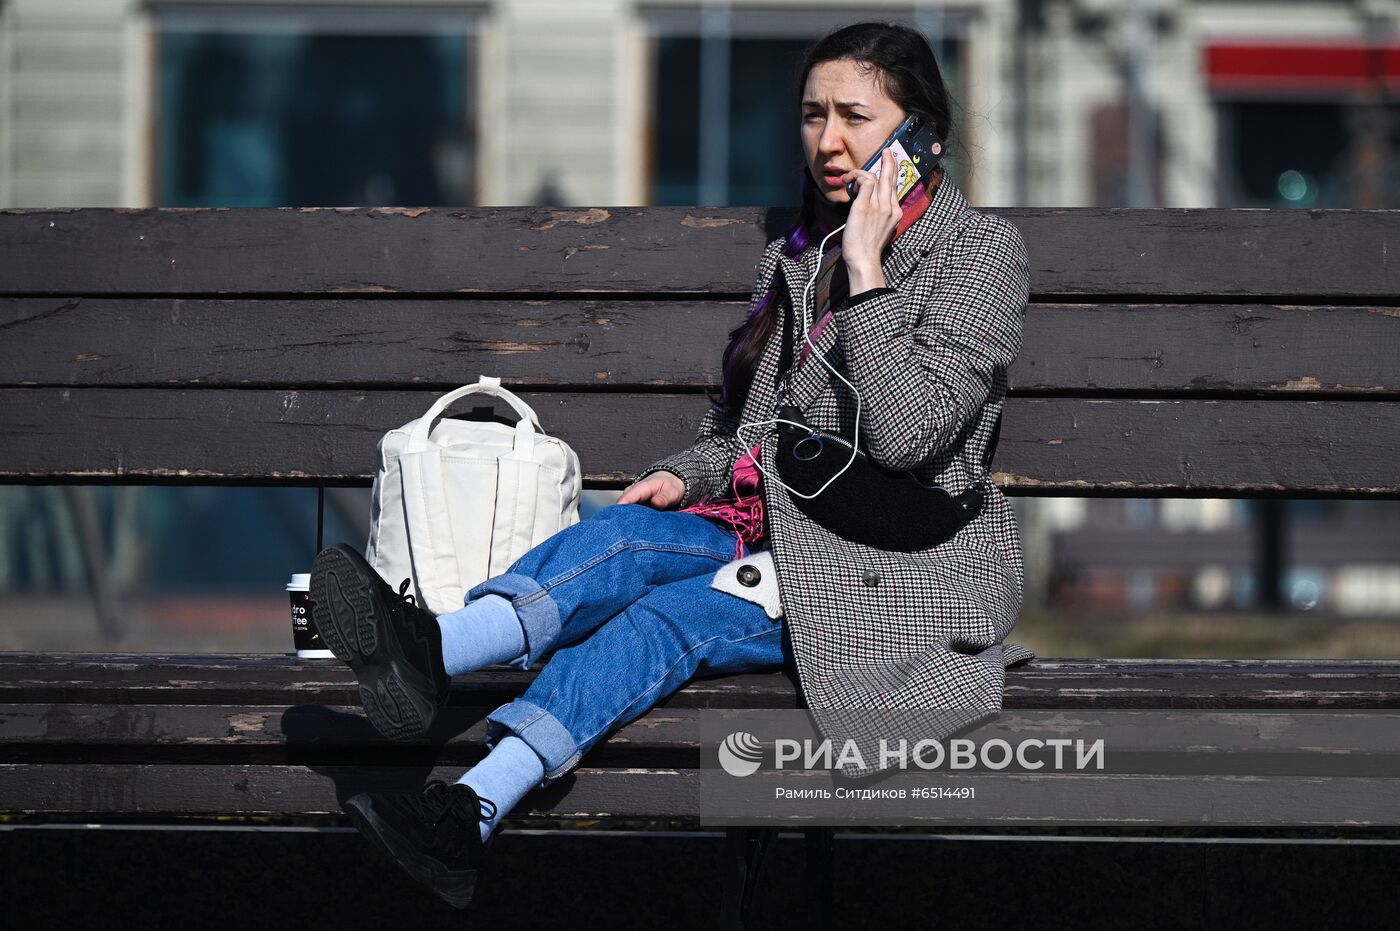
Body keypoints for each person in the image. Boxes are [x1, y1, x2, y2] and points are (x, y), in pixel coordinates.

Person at [308, 20, 1033, 910]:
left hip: (889, 568)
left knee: (669, 616)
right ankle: (433, 659)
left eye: (855, 116)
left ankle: (467, 800)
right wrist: (688, 476)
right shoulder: (795, 257)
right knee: (620, 537)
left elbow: (908, 437)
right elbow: (748, 430)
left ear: (921, 135)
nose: (828, 142)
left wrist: (868, 271)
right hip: (772, 529)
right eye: (812, 116)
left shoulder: (979, 255)